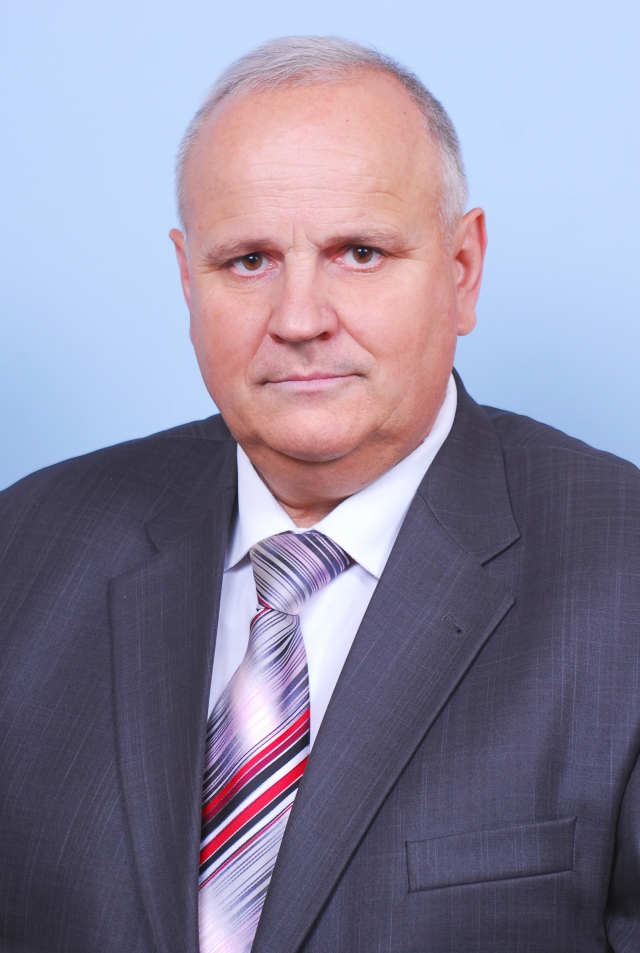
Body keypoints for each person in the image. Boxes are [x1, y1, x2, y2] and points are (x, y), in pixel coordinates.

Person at [1, 35, 639, 953]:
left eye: (360, 252)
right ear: (186, 280)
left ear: (462, 270)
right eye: (248, 261)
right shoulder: (25, 546)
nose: (299, 319)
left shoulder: (623, 571)